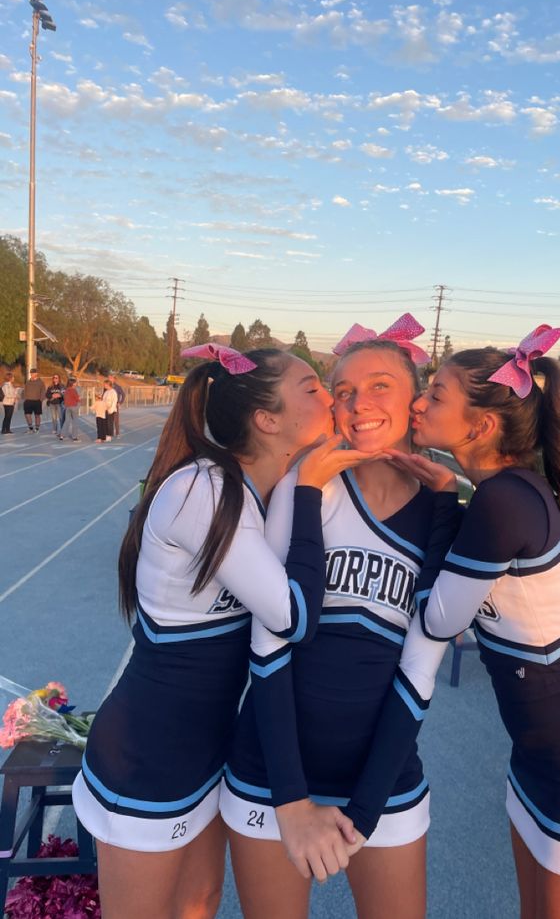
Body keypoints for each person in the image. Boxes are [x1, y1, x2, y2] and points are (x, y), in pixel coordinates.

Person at [360, 325, 560, 919]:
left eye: (438, 394)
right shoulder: (506, 493)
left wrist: (437, 504)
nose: (419, 403)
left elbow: (438, 619)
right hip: (539, 762)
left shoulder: (504, 501)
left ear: (480, 426)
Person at [71, 344, 377, 919]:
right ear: (267, 420)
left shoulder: (262, 492)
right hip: (147, 756)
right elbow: (295, 618)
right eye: (313, 389)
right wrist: (310, 483)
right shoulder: (202, 489)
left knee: (199, 904)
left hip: (210, 752)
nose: (330, 398)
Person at [222, 315, 461, 919]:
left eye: (380, 385)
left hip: (382, 781)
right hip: (273, 779)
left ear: (415, 398)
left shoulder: (442, 511)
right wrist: (292, 803)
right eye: (345, 391)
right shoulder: (309, 489)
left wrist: (363, 814)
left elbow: (421, 666)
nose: (358, 403)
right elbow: (269, 648)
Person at [22, 368, 45, 432]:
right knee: (27, 414)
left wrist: (41, 400)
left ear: (36, 374)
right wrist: (25, 398)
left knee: (37, 415)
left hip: (37, 401)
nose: (32, 374)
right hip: (28, 401)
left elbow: (43, 391)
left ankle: (37, 428)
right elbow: (24, 390)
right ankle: (30, 427)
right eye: (31, 373)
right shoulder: (28, 382)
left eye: (33, 373)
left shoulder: (40, 382)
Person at [59, 376, 81, 441]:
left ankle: (62, 435)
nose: (76, 384)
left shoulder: (66, 390)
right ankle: (74, 437)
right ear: (73, 384)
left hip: (67, 407)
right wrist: (79, 399)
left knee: (67, 421)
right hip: (74, 407)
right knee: (75, 422)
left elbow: (65, 398)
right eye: (75, 383)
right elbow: (77, 399)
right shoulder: (73, 390)